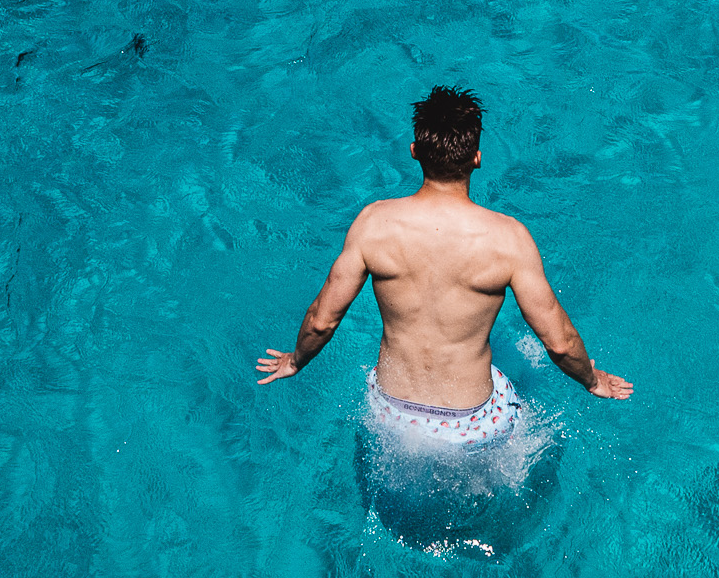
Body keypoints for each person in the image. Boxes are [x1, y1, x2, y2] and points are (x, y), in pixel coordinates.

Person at [256, 85, 632, 446]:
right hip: (470, 422)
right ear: (477, 158)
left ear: (415, 151)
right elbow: (561, 344)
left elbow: (323, 320)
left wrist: (295, 360)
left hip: (391, 410)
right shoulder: (509, 240)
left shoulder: (373, 224)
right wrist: (592, 380)